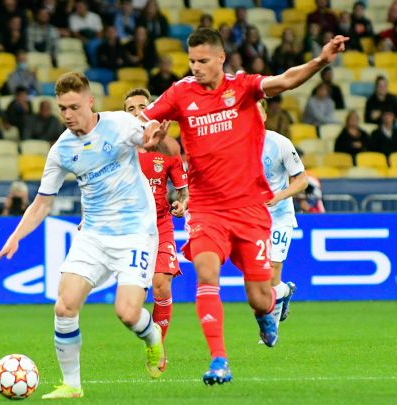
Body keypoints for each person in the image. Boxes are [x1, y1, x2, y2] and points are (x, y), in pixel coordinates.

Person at [139, 27, 348, 384]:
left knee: (258, 296)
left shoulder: (243, 87)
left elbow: (285, 80)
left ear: (221, 58)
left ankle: (269, 308)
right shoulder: (181, 92)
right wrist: (145, 132)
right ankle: (219, 360)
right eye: (191, 61)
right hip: (206, 209)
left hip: (250, 209)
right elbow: (144, 119)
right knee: (206, 272)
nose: (196, 67)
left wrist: (320, 61)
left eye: (203, 60)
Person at [0, 72, 172, 399]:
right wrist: (15, 236)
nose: (68, 115)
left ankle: (152, 337)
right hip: (93, 235)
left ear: (90, 102)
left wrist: (152, 138)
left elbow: (149, 138)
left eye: (74, 107)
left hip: (135, 232)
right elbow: (42, 203)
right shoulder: (61, 149)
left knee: (127, 313)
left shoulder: (119, 124)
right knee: (64, 307)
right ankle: (72, 385)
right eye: (63, 108)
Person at [124, 87, 188, 366]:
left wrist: (182, 203)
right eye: (131, 109)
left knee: (161, 285)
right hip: (128, 228)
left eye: (143, 107)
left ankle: (158, 348)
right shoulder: (119, 147)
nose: (138, 112)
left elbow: (183, 190)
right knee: (130, 305)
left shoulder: (168, 147)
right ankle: (149, 335)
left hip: (160, 224)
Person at [258, 100, 308, 333]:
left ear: (264, 116)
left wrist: (279, 196)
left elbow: (302, 180)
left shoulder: (279, 143)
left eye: (257, 112)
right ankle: (285, 291)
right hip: (251, 218)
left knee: (273, 267)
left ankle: (271, 330)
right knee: (262, 279)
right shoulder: (234, 145)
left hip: (279, 215)